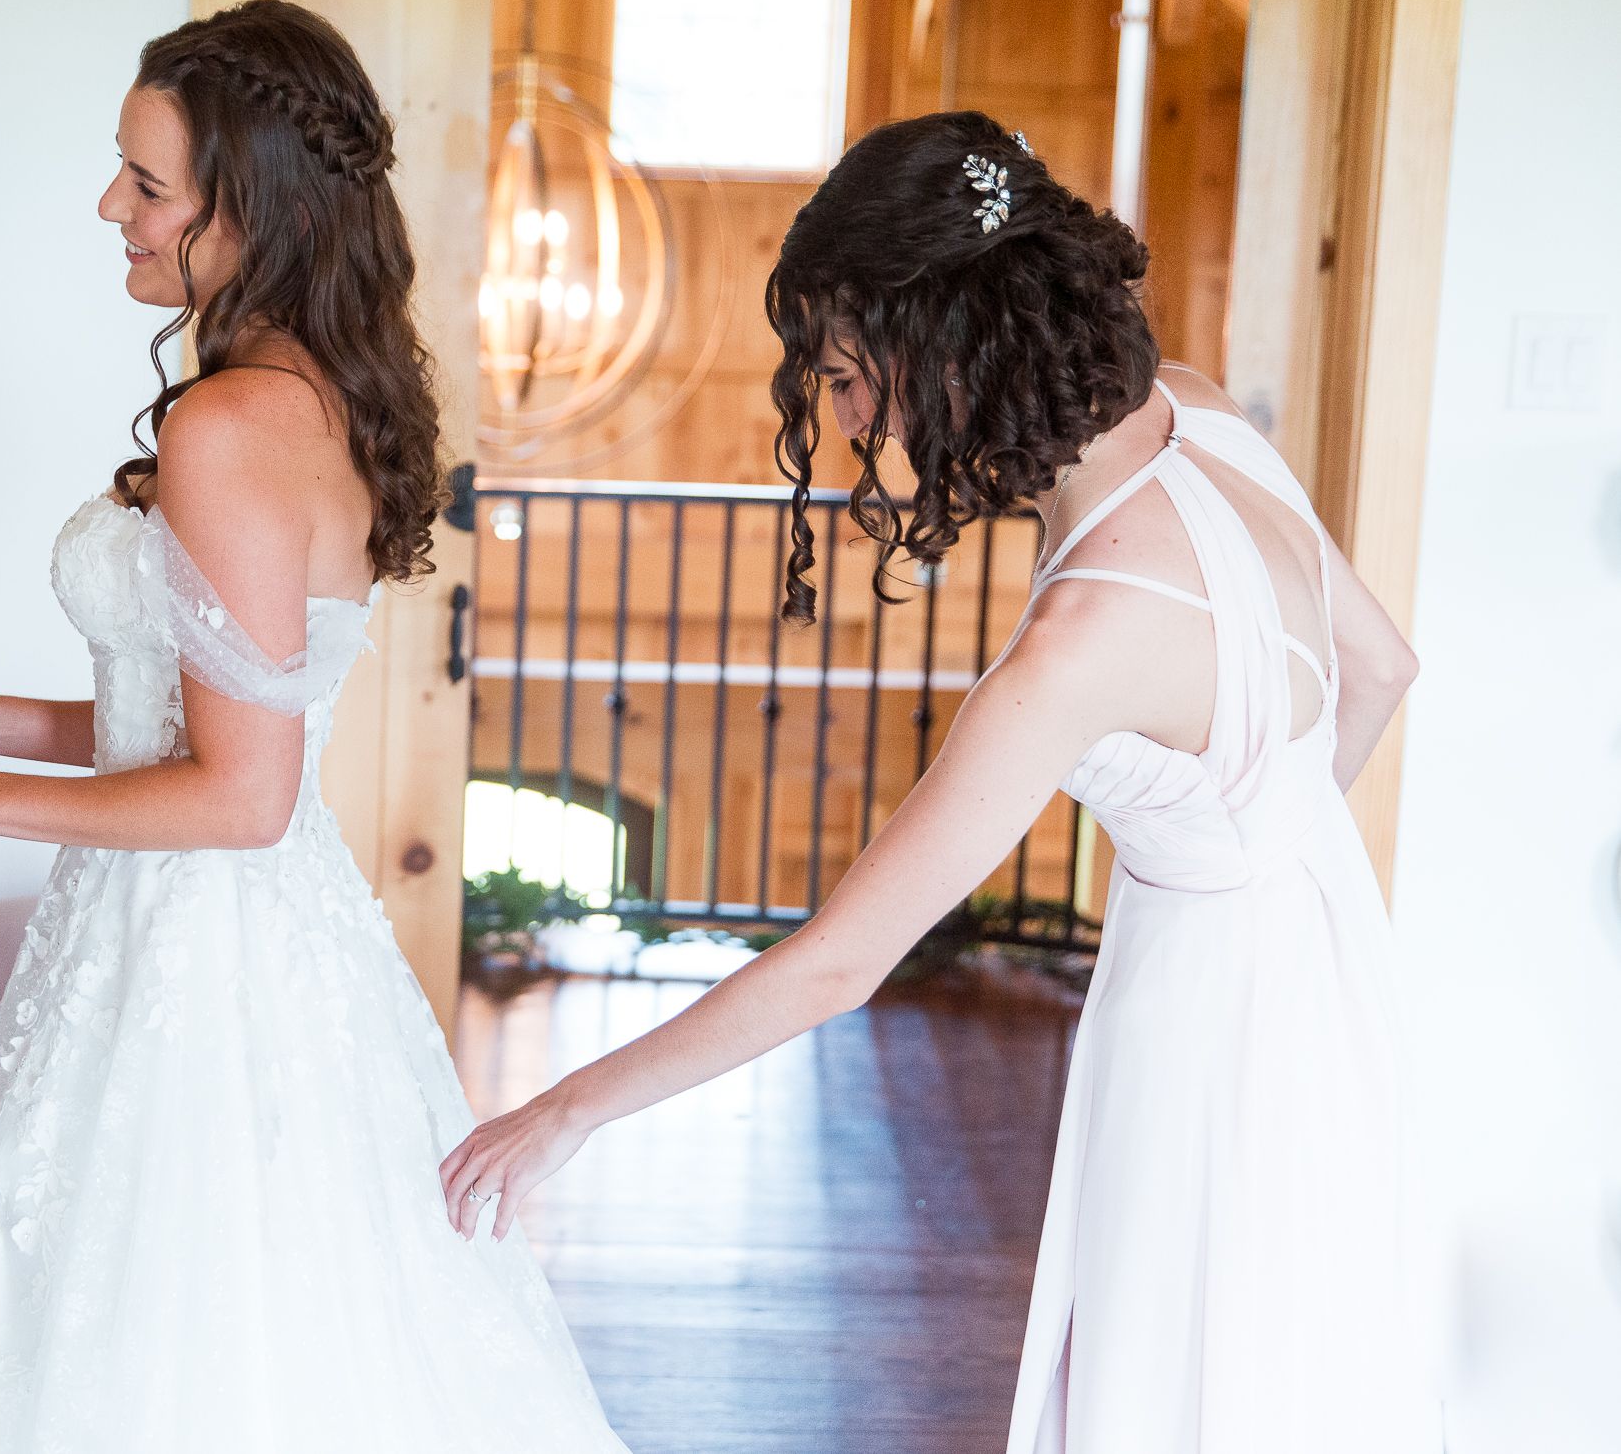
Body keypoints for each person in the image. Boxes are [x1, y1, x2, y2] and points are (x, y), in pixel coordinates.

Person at [440, 111, 1442, 1453]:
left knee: (1174, 1377)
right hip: (1326, 975)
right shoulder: (1202, 411)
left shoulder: (1080, 641)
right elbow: (1380, 667)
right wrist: (1247, 840)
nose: (849, 420)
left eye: (849, 378)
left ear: (945, 338)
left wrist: (560, 1112)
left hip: (1206, 1033)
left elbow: (839, 965)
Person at [0, 0, 629, 1453]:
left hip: (195, 944)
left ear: (249, 207)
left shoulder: (229, 426)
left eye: (146, 184)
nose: (111, 208)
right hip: (206, 929)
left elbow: (239, 796)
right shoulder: (307, 398)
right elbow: (185, 724)